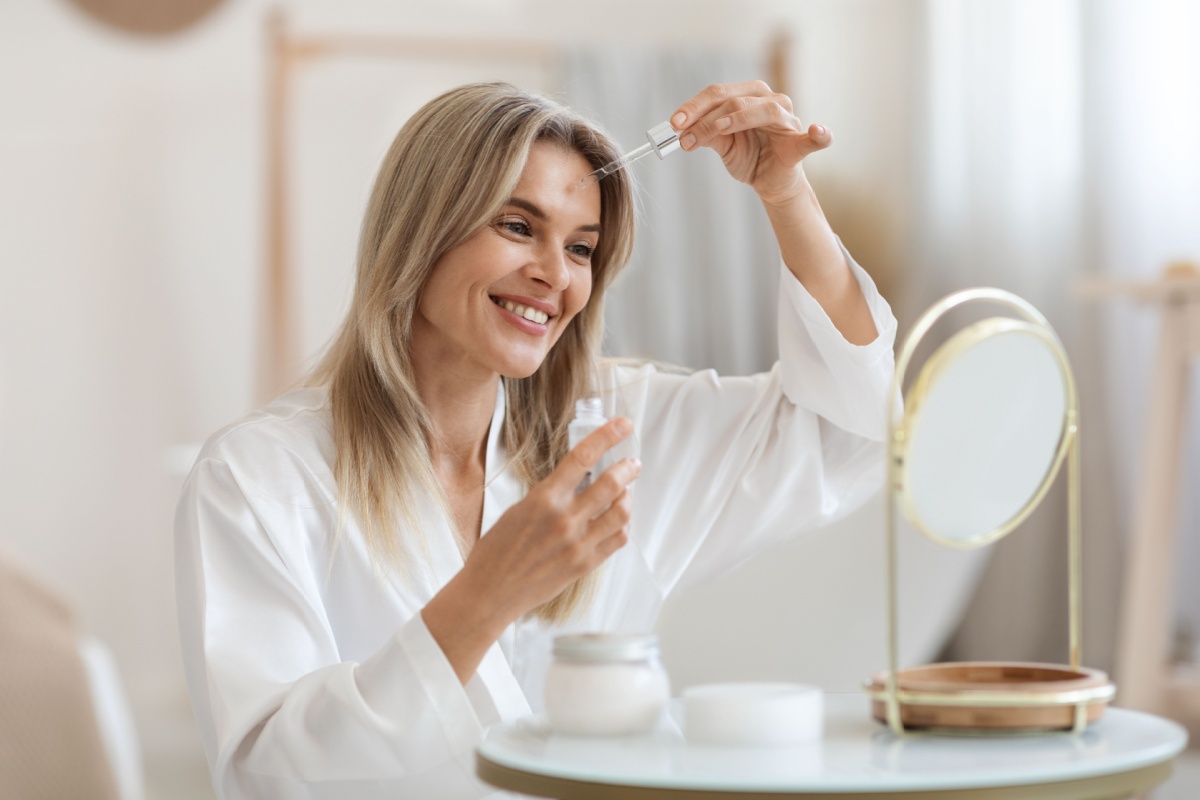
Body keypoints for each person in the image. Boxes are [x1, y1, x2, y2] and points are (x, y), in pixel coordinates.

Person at [175, 80, 896, 799]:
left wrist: (786, 194)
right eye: (518, 227)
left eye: (581, 248)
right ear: (423, 230)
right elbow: (261, 765)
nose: (555, 275)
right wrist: (487, 594)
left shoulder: (614, 438)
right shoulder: (259, 478)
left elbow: (855, 431)